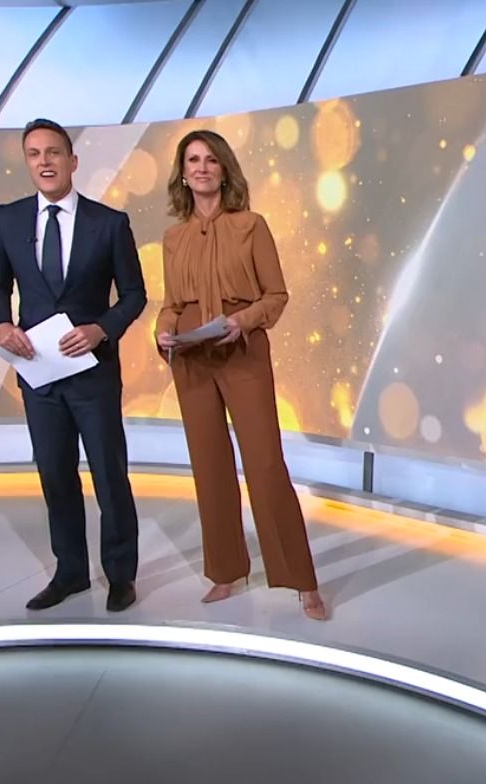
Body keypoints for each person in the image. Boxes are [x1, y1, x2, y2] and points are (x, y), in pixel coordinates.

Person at [155, 130, 327, 620]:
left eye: (211, 160)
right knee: (209, 466)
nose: (202, 168)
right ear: (183, 174)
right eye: (193, 160)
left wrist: (243, 320)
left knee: (265, 463)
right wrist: (163, 330)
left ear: (225, 170)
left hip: (242, 349)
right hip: (190, 356)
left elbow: (276, 296)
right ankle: (226, 571)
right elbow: (171, 304)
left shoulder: (252, 226)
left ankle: (302, 580)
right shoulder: (173, 238)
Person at [0, 118, 146, 613]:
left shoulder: (109, 223)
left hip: (93, 373)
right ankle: (70, 572)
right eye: (34, 154)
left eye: (53, 152)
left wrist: (101, 329)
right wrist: (0, 325)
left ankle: (120, 575)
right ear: (27, 163)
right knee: (55, 473)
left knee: (109, 474)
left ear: (72, 161)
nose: (44, 162)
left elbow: (134, 294)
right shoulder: (7, 219)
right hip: (39, 375)